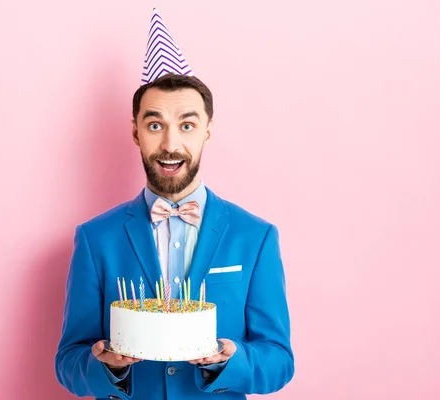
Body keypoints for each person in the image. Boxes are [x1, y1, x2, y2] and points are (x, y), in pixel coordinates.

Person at [55, 8, 294, 400]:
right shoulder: (95, 239)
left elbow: (279, 361)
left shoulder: (256, 237)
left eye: (186, 125)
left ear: (207, 132)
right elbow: (68, 361)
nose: (170, 144)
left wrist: (229, 361)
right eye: (155, 125)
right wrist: (105, 369)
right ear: (135, 132)